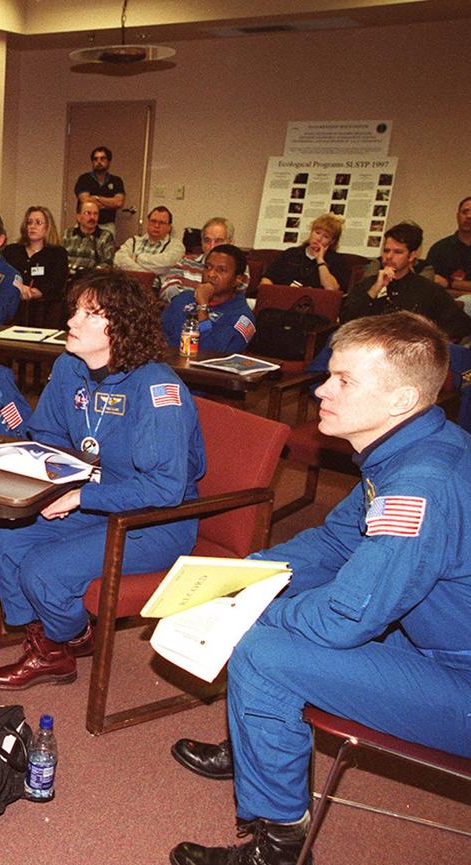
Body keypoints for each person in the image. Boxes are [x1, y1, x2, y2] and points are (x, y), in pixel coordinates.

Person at [169, 312, 471, 865]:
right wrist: (247, 574)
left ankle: (279, 845)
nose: (321, 389)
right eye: (330, 374)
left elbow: (344, 616)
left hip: (460, 672)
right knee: (267, 612)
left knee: (263, 651)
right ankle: (259, 742)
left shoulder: (420, 486)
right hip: (436, 634)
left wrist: (249, 607)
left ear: (402, 399)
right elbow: (335, 544)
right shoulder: (411, 446)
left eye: (344, 381)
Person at [0, 271, 205, 690]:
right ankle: (55, 644)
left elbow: (165, 488)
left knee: (44, 572)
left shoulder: (158, 389)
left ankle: (63, 634)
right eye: (75, 310)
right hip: (93, 497)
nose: (72, 322)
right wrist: (46, 474)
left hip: (154, 520)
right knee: (1, 542)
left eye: (89, 314)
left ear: (120, 327)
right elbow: (45, 432)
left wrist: (81, 495)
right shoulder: (70, 365)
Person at [340, 222, 471, 342]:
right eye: (386, 250)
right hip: (365, 345)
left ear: (412, 255)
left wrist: (426, 339)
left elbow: (461, 325)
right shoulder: (369, 284)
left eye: (398, 252)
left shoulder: (427, 290)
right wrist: (375, 288)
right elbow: (346, 320)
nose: (389, 256)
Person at [160, 245, 256, 354]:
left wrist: (202, 306)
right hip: (166, 364)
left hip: (201, 370)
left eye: (221, 270)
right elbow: (156, 337)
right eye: (207, 267)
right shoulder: (184, 298)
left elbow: (210, 355)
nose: (210, 274)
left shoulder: (242, 319)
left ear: (238, 279)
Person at [1, 206, 69, 324]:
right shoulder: (12, 250)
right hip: (12, 306)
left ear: (48, 227)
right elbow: (2, 274)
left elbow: (58, 282)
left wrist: (37, 292)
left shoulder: (57, 253)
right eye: (29, 222)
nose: (32, 226)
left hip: (44, 311)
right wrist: (19, 288)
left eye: (38, 223)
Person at [160, 217, 250, 302]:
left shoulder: (239, 266)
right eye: (207, 241)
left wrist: (198, 299)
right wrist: (197, 300)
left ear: (231, 242)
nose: (212, 246)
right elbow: (167, 289)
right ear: (202, 243)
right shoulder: (185, 262)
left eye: (218, 241)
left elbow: (233, 300)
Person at [260, 213, 350, 291]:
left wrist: (320, 261)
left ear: (332, 241)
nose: (319, 238)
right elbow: (267, 278)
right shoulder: (291, 254)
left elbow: (332, 289)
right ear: (311, 232)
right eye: (317, 233)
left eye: (326, 236)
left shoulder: (338, 261)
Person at [113, 206, 185, 279]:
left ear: (169, 227)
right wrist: (146, 275)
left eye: (162, 223)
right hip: (129, 284)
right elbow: (118, 260)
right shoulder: (133, 241)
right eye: (153, 221)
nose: (156, 226)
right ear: (147, 223)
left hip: (157, 288)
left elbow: (165, 265)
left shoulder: (176, 246)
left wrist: (137, 258)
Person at [428, 195, 471, 315]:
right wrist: (465, 293)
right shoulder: (440, 249)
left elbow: (443, 283)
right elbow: (433, 287)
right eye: (465, 212)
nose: (469, 216)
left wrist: (449, 283)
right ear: (458, 216)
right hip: (445, 308)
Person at [74, 146, 125, 237]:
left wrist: (96, 198)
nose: (99, 162)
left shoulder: (116, 181)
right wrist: (109, 203)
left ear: (109, 161)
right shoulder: (84, 179)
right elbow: (85, 201)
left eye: (102, 159)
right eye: (95, 159)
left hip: (107, 225)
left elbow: (118, 202)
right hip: (85, 224)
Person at [63, 200, 115, 273]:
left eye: (95, 214)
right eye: (88, 213)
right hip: (67, 276)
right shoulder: (68, 233)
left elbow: (108, 262)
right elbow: (58, 257)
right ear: (78, 217)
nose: (92, 217)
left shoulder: (105, 236)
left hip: (90, 279)